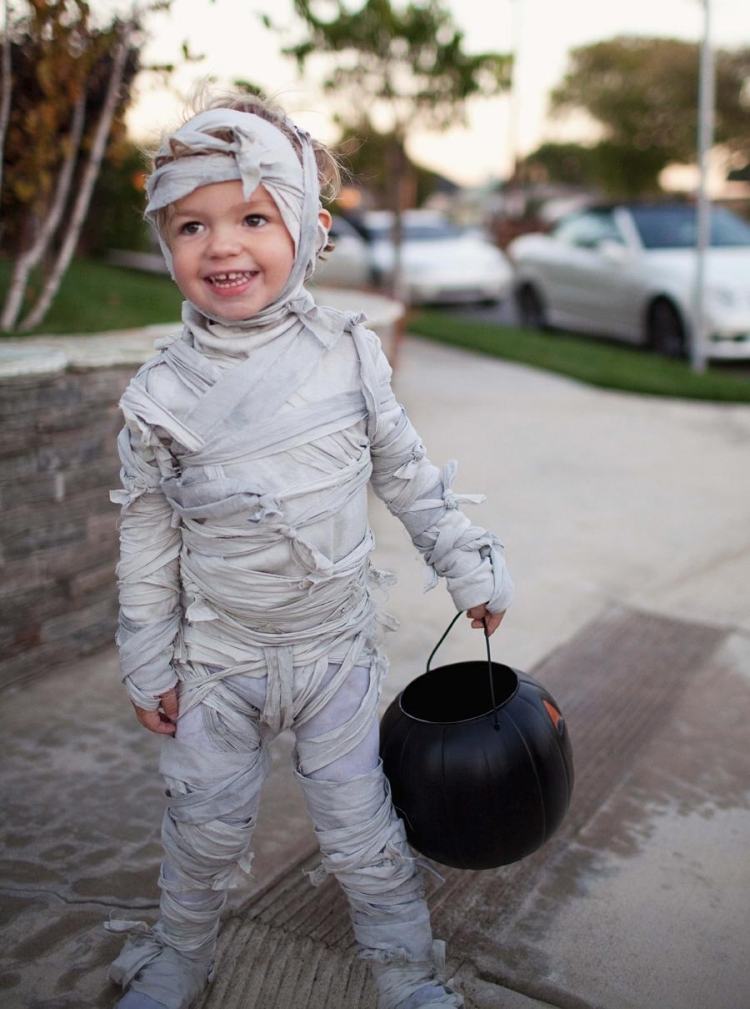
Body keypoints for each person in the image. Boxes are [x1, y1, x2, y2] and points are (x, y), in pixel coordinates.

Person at [107, 90, 513, 1009]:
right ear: (165, 241)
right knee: (200, 826)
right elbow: (146, 528)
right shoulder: (159, 394)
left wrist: (467, 559)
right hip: (217, 656)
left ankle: (407, 973)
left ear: (311, 228)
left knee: (362, 831)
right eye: (191, 224)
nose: (222, 246)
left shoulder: (348, 355)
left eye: (254, 216)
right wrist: (146, 656)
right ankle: (178, 954)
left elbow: (406, 472)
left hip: (335, 654)